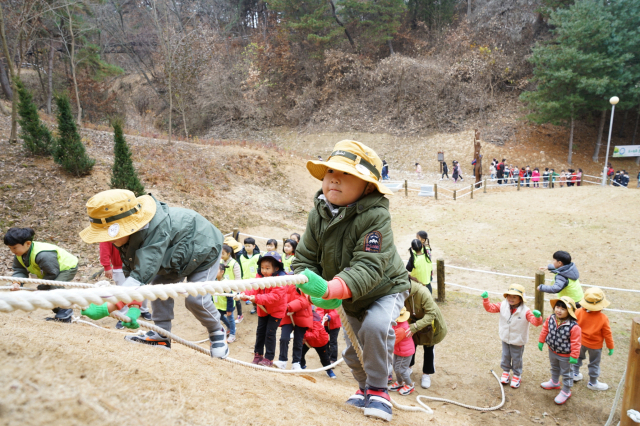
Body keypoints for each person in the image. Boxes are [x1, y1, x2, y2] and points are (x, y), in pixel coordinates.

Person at [293, 140, 410, 422]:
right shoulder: (317, 213)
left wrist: (333, 287)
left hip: (385, 288)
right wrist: (310, 288)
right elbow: (304, 259)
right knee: (352, 346)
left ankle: (380, 390)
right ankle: (363, 387)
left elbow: (369, 266)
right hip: (347, 293)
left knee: (375, 327)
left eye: (347, 174)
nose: (334, 177)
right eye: (331, 171)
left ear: (368, 186)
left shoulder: (375, 216)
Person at [78, 189, 228, 357]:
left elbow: (140, 276)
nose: (108, 240)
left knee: (196, 299)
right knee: (158, 288)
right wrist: (133, 307)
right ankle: (161, 335)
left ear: (127, 225)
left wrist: (108, 307)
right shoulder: (125, 239)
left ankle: (217, 332)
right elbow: (132, 275)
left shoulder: (155, 230)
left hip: (203, 247)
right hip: (172, 256)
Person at [3, 227, 78, 322]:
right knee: (46, 290)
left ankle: (66, 310)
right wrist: (17, 282)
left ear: (28, 244)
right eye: (10, 248)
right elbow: (20, 270)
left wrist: (42, 286)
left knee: (54, 287)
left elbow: (52, 273)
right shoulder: (19, 255)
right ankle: (61, 314)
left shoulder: (43, 255)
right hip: (51, 270)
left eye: (14, 247)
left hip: (67, 267)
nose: (12, 251)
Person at [481, 284, 543, 388]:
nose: (511, 298)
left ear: (521, 298)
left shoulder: (526, 311)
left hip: (518, 340)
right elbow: (490, 308)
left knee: (516, 358)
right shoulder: (503, 305)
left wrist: (538, 318)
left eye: (514, 297)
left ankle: (517, 375)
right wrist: (486, 300)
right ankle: (506, 372)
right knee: (505, 355)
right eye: (509, 296)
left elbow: (535, 323)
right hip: (505, 338)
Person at [239, 251, 288, 367]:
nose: (264, 271)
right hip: (262, 309)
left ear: (276, 268)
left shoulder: (282, 280)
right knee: (260, 332)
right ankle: (258, 354)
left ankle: (269, 358)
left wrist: (256, 298)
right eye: (262, 268)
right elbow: (253, 289)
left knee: (270, 334)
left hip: (276, 311)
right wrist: (244, 294)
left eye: (267, 268)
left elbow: (274, 297)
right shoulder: (259, 277)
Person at [538, 296, 582, 405]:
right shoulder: (550, 318)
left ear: (570, 311)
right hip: (552, 350)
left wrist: (574, 356)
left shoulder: (573, 326)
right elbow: (545, 329)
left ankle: (566, 391)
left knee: (567, 373)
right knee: (554, 367)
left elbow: (576, 342)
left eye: (563, 309)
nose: (559, 310)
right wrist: (541, 340)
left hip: (565, 355)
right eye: (557, 307)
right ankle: (554, 382)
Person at [405, 280, 447, 389]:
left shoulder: (423, 292)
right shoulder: (400, 292)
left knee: (428, 348)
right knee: (410, 345)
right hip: (413, 321)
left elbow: (431, 314)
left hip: (429, 324)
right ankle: (408, 366)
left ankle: (426, 374)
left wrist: (415, 326)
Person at [100, 241, 151, 328]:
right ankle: (122, 315)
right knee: (122, 291)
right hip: (120, 266)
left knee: (143, 287)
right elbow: (104, 246)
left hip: (139, 264)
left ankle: (143, 309)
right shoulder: (109, 229)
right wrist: (106, 266)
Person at [573, 287, 614, 391]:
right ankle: (593, 382)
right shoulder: (603, 318)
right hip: (595, 346)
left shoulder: (578, 312)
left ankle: (574, 373)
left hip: (580, 343)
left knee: (577, 358)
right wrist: (610, 346)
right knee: (594, 363)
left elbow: (573, 326)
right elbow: (607, 334)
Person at [274, 282, 312, 370]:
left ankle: (296, 363)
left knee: (298, 341)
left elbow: (306, 300)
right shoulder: (287, 283)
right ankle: (282, 360)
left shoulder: (306, 284)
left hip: (302, 315)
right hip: (288, 315)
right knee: (284, 338)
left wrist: (290, 306)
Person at [300, 310, 336, 378]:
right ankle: (301, 366)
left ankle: (329, 371)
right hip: (307, 341)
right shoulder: (301, 320)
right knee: (300, 353)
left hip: (320, 342)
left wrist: (302, 334)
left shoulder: (316, 321)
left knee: (324, 358)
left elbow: (314, 335)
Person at [388, 307, 415, 395]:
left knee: (402, 370)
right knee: (396, 367)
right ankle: (399, 383)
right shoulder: (397, 323)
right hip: (398, 350)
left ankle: (409, 384)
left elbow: (392, 340)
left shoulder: (401, 329)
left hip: (405, 352)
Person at [220, 244, 244, 324]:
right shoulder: (220, 262)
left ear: (228, 253)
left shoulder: (234, 263)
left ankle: (240, 315)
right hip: (224, 286)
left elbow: (238, 277)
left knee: (236, 301)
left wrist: (237, 289)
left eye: (223, 253)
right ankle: (224, 316)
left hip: (233, 287)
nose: (221, 255)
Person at [214, 264, 236, 343]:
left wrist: (229, 309)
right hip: (218, 305)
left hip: (227, 306)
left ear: (222, 272)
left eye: (217, 270)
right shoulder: (214, 281)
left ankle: (232, 334)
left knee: (231, 319)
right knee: (220, 317)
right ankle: (229, 328)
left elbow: (230, 297)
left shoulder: (225, 283)